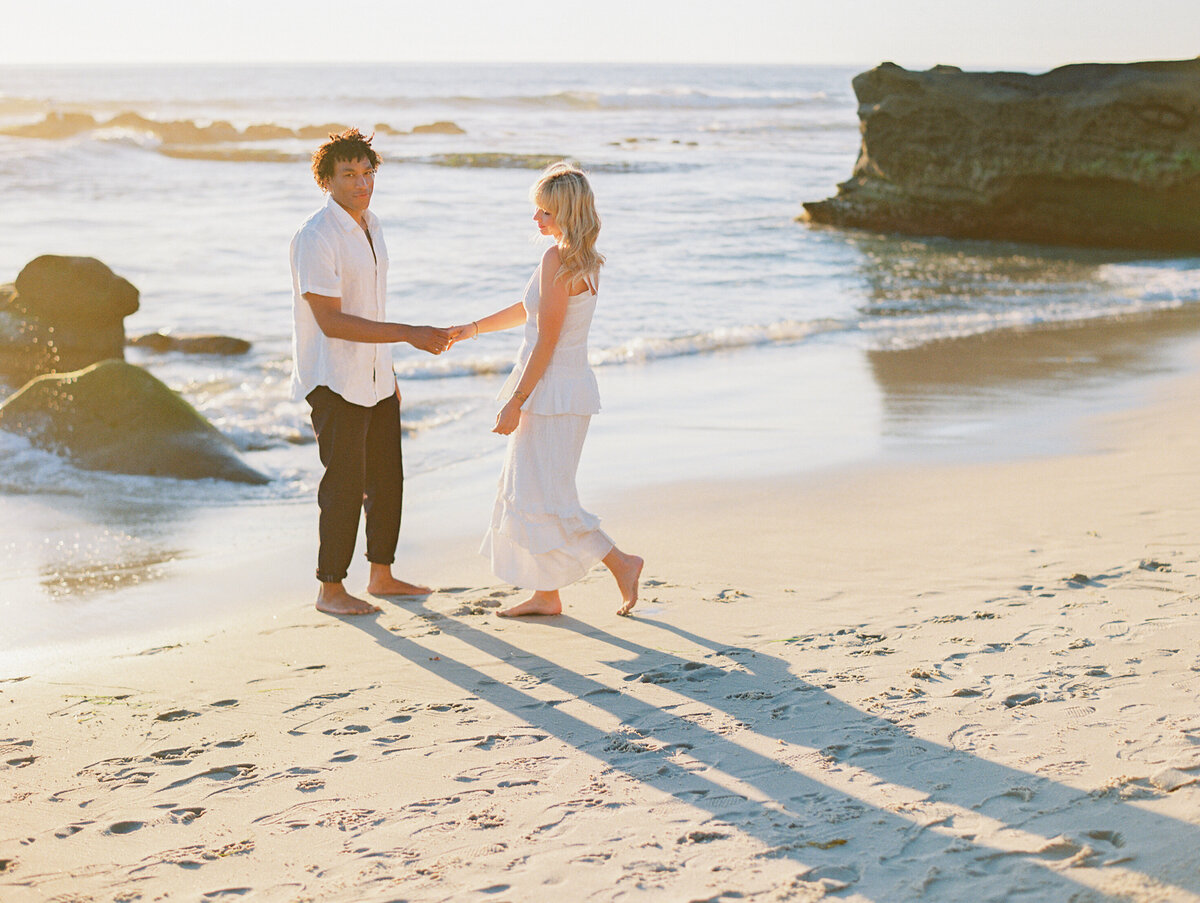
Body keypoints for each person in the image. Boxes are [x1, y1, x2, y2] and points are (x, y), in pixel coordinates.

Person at [449, 162, 643, 617]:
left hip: (552, 393)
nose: (536, 220)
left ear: (567, 214)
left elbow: (546, 338)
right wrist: (472, 328)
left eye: (546, 213)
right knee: (531, 493)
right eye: (537, 210)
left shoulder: (557, 259)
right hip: (565, 391)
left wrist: (516, 401)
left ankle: (622, 562)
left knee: (548, 499)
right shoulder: (582, 261)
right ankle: (546, 593)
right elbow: (530, 308)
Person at [290, 128, 451, 616]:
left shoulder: (372, 225)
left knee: (387, 477)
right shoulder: (316, 236)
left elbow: (370, 306)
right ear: (327, 181)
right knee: (343, 483)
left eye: (367, 173)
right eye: (349, 175)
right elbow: (332, 321)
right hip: (333, 379)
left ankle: (381, 575)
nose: (361, 184)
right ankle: (330, 589)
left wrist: (391, 371)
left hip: (376, 376)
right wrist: (409, 333)